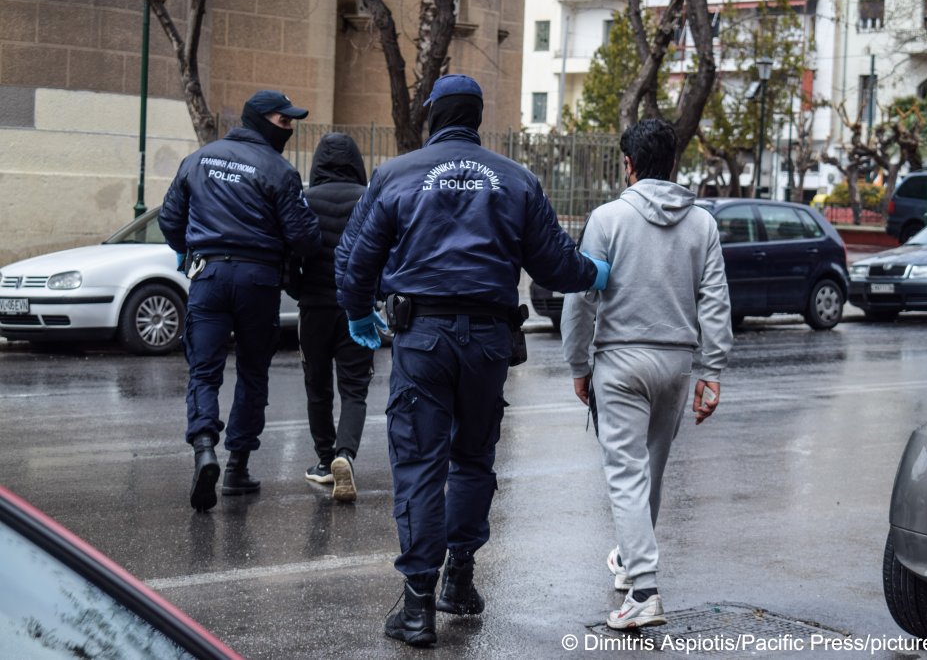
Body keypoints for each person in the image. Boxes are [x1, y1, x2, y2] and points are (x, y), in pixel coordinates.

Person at [335, 73, 611, 648]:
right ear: (478, 118)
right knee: (472, 459)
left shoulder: (395, 174)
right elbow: (558, 264)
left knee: (419, 464)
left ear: (433, 115)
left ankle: (416, 608)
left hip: (423, 338)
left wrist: (359, 313)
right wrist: (596, 274)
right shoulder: (516, 180)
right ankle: (459, 580)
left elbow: (355, 260)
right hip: (488, 340)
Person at [560, 118, 732, 629]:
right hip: (677, 363)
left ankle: (644, 590)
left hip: (621, 360)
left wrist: (577, 363)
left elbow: (581, 296)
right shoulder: (702, 223)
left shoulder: (607, 218)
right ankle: (632, 562)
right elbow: (715, 300)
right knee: (650, 470)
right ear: (673, 164)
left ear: (629, 165)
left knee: (626, 474)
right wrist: (713, 370)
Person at [160, 90, 320, 513]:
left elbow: (170, 219)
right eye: (282, 120)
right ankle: (237, 467)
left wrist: (190, 248)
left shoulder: (199, 159)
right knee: (252, 373)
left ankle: (204, 448)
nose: (288, 127)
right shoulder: (280, 170)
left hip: (208, 276)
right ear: (258, 120)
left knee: (204, 370)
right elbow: (304, 237)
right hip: (257, 279)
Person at [293, 133, 375, 502]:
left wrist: (299, 290)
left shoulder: (305, 200)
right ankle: (346, 454)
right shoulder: (369, 199)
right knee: (355, 387)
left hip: (314, 309)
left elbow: (289, 251)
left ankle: (325, 461)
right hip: (356, 309)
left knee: (317, 385)